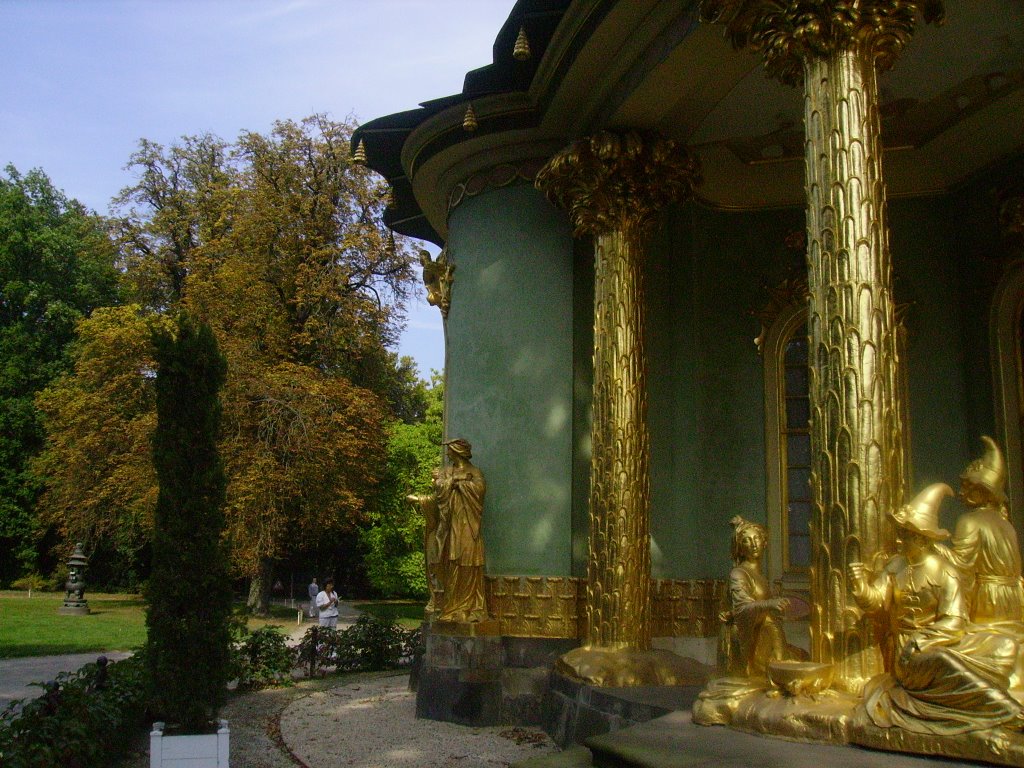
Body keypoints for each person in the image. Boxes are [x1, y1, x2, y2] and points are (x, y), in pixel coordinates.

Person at [849, 483, 1023, 736]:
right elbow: (875, 603)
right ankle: (1006, 711)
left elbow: (954, 622)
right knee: (943, 661)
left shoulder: (944, 571)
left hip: (934, 642)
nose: (899, 539)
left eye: (905, 534)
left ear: (921, 538)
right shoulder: (895, 566)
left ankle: (982, 698)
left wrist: (924, 639)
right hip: (907, 655)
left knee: (1005, 645)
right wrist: (859, 584)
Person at [949, 436, 1024, 626]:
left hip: (988, 601)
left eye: (967, 486)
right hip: (1014, 600)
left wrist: (933, 549)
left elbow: (962, 571)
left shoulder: (969, 522)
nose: (961, 492)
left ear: (981, 491)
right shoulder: (1007, 525)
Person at [720, 516, 790, 679]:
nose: (753, 544)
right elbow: (742, 608)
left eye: (757, 538)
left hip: (760, 635)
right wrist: (769, 604)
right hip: (744, 640)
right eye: (746, 540)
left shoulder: (759, 575)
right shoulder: (738, 574)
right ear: (739, 548)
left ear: (764, 542)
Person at [435, 438, 487, 623]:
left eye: (450, 450)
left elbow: (480, 491)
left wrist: (461, 484)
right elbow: (440, 490)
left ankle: (469, 606)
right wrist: (451, 480)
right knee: (452, 562)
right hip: (452, 524)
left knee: (469, 562)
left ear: (457, 451)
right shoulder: (448, 471)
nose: (447, 454)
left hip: (468, 525)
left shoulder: (474, 472)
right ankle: (451, 607)